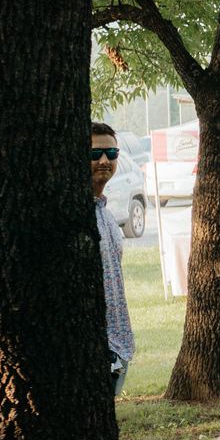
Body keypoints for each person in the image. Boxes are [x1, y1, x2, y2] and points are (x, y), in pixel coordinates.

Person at [91, 121, 134, 397]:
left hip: (117, 344)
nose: (104, 161)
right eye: (95, 154)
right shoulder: (75, 213)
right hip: (94, 344)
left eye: (111, 153)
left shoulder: (106, 213)